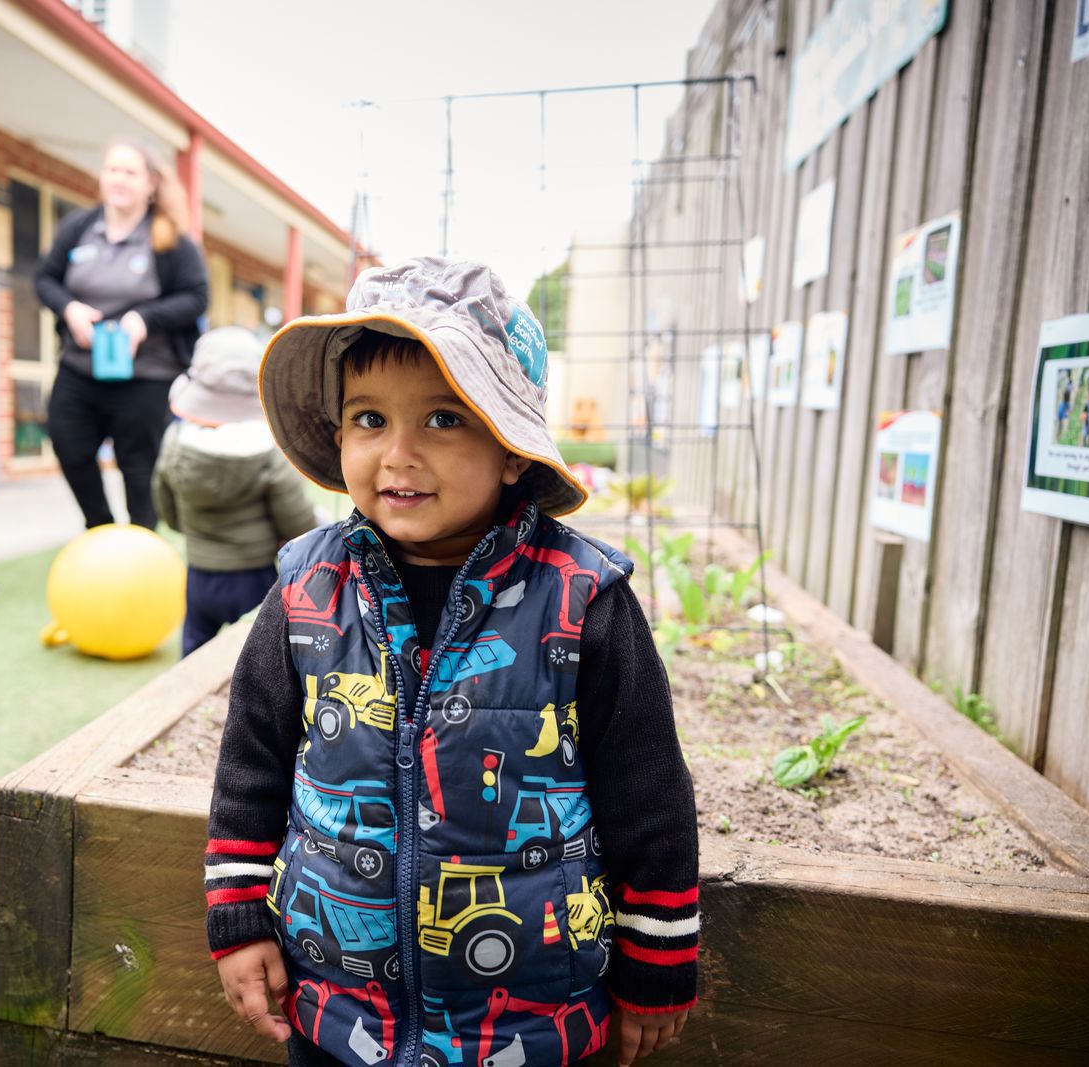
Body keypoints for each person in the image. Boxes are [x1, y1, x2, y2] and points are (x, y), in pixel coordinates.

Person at [204, 258, 698, 1067]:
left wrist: (660, 957)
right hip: (336, 1010)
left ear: (511, 450)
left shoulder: (582, 601)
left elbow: (648, 791)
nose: (397, 453)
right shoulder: (306, 589)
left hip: (531, 1023)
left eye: (441, 420)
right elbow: (251, 763)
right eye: (369, 419)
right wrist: (238, 918)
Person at [35, 138, 210, 530]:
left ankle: (141, 546)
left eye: (130, 172)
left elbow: (197, 296)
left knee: (138, 468)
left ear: (150, 184)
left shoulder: (171, 240)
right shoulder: (79, 227)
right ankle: (99, 529)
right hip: (81, 367)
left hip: (146, 374)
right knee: (68, 444)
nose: (119, 178)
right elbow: (45, 279)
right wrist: (70, 308)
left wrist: (144, 320)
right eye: (112, 169)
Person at [152, 326, 317, 656]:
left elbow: (165, 506)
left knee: (195, 647)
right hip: (252, 574)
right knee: (257, 652)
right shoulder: (268, 450)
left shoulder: (175, 442)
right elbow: (296, 521)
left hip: (199, 572)